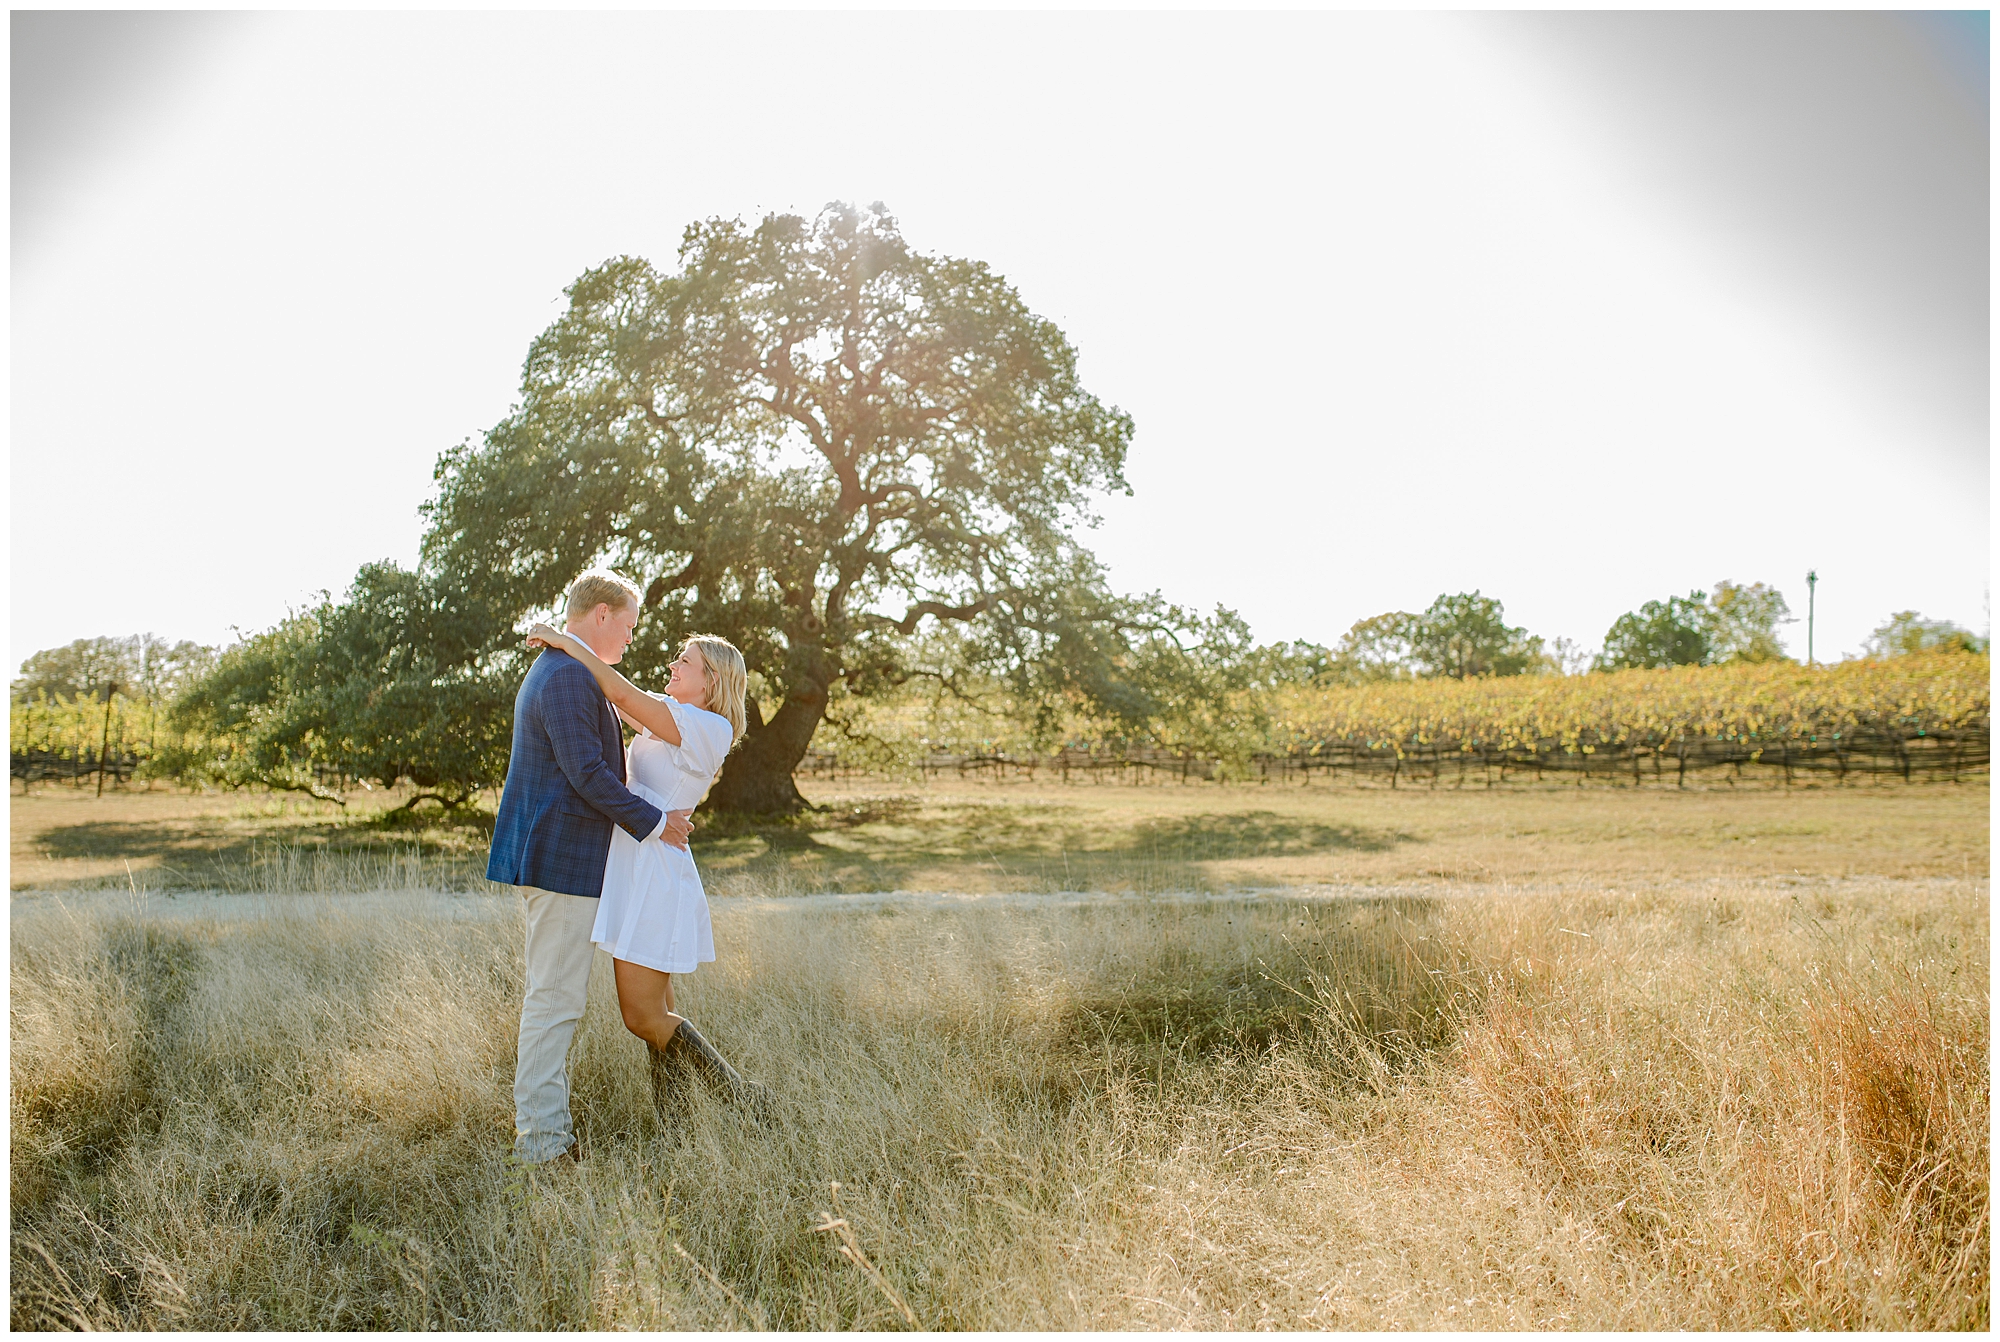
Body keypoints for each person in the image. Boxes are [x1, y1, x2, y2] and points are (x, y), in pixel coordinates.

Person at [522, 617, 769, 1115]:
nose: (673, 665)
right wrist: (572, 654)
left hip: (654, 875)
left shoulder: (708, 727)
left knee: (641, 1016)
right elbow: (612, 702)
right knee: (659, 1013)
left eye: (686, 661)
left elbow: (623, 693)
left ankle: (745, 1101)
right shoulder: (675, 716)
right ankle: (675, 1128)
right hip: (636, 864)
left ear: (712, 681)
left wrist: (567, 641)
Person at [487, 570, 693, 1165]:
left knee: (554, 997)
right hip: (561, 860)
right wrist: (656, 824)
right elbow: (588, 775)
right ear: (601, 614)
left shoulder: (567, 668)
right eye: (628, 624)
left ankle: (544, 1133)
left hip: (564, 860)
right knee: (554, 1000)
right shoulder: (568, 677)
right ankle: (543, 1143)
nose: (631, 638)